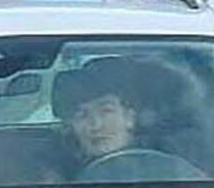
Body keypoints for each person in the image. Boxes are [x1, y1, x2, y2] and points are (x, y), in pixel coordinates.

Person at [55, 59, 206, 182]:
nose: (96, 125)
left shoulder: (174, 169)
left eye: (106, 111)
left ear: (129, 118)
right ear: (71, 125)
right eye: (82, 115)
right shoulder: (57, 174)